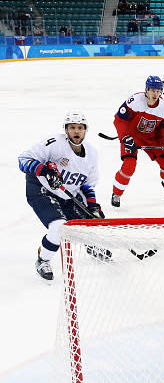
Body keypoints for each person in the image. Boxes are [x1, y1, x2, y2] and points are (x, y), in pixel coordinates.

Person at [18, 111, 104, 281]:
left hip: (67, 193)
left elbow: (87, 185)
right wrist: (43, 170)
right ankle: (43, 260)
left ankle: (91, 245)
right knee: (59, 226)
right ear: (66, 130)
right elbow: (23, 159)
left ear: (85, 130)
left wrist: (92, 206)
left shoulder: (92, 154)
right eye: (72, 127)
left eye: (80, 128)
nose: (76, 131)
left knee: (93, 222)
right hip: (41, 189)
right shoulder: (54, 144)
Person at [111, 76, 164, 207]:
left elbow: (163, 129)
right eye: (153, 90)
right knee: (129, 165)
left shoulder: (163, 106)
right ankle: (116, 193)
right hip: (131, 136)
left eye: (158, 90)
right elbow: (119, 120)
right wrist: (124, 138)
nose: (155, 94)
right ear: (146, 90)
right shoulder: (135, 100)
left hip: (151, 138)